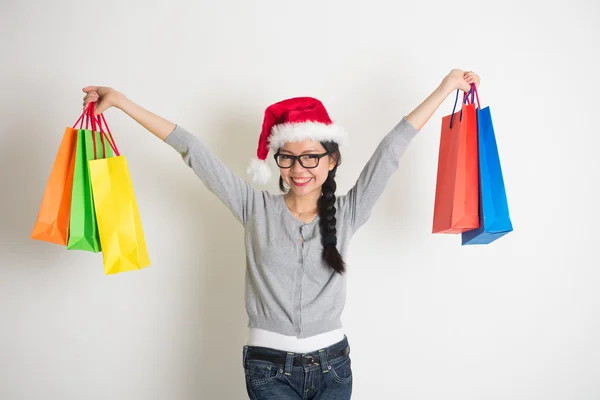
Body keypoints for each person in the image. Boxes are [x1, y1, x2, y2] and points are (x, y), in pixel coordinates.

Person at [82, 69, 481, 400]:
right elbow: (192, 150)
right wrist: (120, 101)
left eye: (311, 157)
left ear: (332, 159)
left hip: (334, 367)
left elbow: (392, 149)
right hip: (269, 370)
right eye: (287, 157)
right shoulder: (254, 207)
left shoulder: (347, 212)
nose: (298, 168)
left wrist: (445, 88)